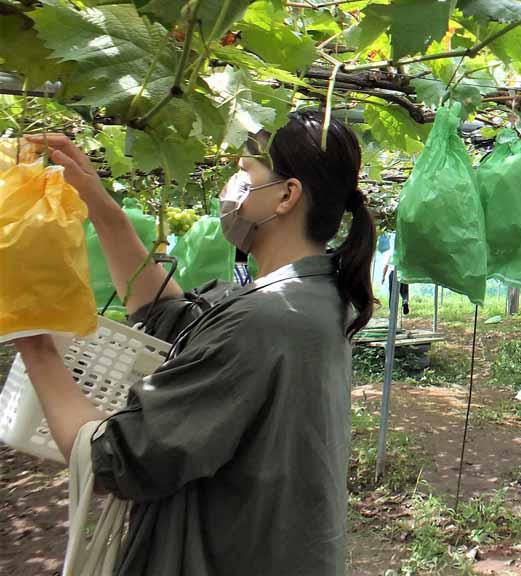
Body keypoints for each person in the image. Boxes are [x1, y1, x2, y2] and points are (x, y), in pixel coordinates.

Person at [12, 110, 376, 576]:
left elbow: (111, 460)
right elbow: (173, 318)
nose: (231, 184)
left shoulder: (265, 321)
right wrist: (101, 207)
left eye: (245, 171)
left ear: (286, 196)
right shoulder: (310, 298)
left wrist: (31, 336)